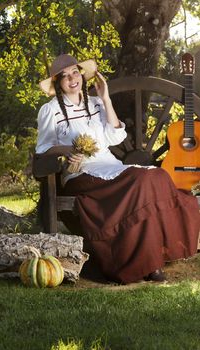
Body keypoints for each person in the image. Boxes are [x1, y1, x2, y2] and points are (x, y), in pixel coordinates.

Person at [36, 53, 200, 284]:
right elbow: (43, 150)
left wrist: (106, 99)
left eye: (75, 72)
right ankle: (141, 264)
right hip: (81, 173)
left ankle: (153, 261)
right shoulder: (50, 110)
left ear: (81, 75)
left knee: (157, 177)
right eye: (64, 76)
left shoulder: (95, 103)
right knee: (141, 182)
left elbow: (115, 136)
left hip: (110, 167)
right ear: (57, 83)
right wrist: (66, 150)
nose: (72, 79)